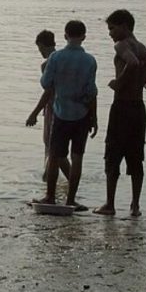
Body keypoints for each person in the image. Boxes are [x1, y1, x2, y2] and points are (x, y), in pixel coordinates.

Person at [95, 9, 146, 217]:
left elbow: (131, 63)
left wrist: (118, 83)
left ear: (124, 26)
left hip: (122, 106)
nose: (110, 34)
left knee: (112, 155)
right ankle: (135, 206)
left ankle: (110, 204)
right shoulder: (143, 49)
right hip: (139, 108)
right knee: (136, 157)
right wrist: (145, 71)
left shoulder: (122, 45)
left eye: (112, 28)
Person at [33, 20, 98, 210]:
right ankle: (70, 200)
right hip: (82, 114)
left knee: (54, 156)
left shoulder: (56, 58)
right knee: (77, 157)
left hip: (61, 113)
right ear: (84, 37)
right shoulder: (90, 60)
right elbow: (91, 92)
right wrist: (94, 117)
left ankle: (50, 197)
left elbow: (46, 84)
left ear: (65, 36)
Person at [25, 30, 70, 182]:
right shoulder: (64, 59)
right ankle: (49, 180)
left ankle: (69, 181)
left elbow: (48, 92)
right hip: (66, 106)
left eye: (39, 49)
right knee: (53, 148)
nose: (40, 52)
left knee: (52, 147)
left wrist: (34, 113)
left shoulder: (47, 63)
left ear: (42, 45)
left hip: (52, 108)